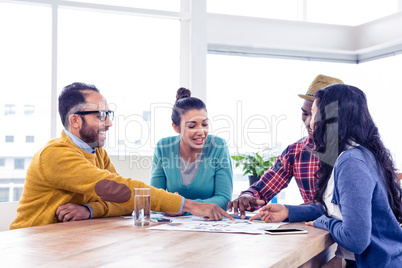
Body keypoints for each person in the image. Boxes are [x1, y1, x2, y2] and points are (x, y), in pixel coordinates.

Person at [11, 83, 233, 230]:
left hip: (67, 240)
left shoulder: (98, 153)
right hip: (32, 243)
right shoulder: (56, 154)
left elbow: (126, 203)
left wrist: (89, 210)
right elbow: (119, 188)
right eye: (100, 115)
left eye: (108, 114)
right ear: (75, 120)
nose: (109, 122)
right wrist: (188, 205)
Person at [250, 84, 402, 267]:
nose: (309, 122)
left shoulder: (351, 162)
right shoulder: (354, 154)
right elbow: (343, 211)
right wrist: (289, 211)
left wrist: (324, 222)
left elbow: (355, 240)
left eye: (313, 114)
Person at [228, 74, 343, 218]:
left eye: (315, 115)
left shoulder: (351, 154)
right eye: (305, 113)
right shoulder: (295, 151)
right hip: (313, 232)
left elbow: (339, 207)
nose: (308, 122)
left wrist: (293, 211)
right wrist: (247, 197)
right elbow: (264, 187)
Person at [150, 88, 233, 215]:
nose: (201, 132)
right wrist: (174, 206)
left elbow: (224, 199)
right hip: (172, 228)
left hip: (208, 226)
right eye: (192, 126)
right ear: (176, 127)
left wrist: (183, 206)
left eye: (204, 124)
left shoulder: (218, 146)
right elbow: (155, 199)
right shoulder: (163, 147)